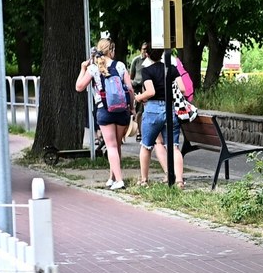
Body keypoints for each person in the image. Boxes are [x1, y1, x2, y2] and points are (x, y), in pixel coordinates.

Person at [74, 39, 133, 190]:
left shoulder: (93, 69)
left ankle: (119, 180)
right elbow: (130, 89)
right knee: (117, 144)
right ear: (111, 50)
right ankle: (112, 177)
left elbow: (79, 87)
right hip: (121, 110)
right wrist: (131, 107)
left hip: (104, 110)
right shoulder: (120, 66)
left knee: (111, 146)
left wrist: (82, 68)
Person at [134, 48, 184, 188]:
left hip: (153, 110)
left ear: (148, 55)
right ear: (162, 53)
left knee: (146, 146)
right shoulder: (172, 69)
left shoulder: (147, 71)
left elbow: (150, 92)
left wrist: (139, 97)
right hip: (171, 108)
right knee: (174, 147)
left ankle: (144, 180)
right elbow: (183, 89)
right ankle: (179, 180)